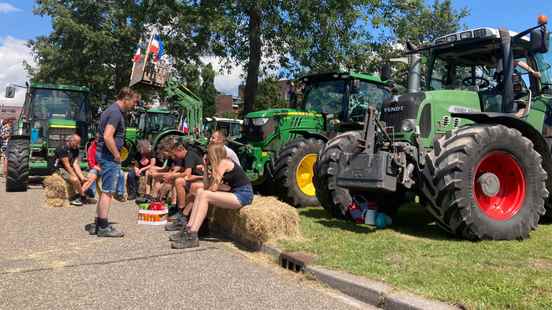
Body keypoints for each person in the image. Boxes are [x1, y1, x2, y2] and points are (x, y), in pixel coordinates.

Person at [171, 143, 253, 249]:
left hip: (243, 194)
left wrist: (213, 185)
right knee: (201, 192)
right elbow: (206, 186)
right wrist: (205, 168)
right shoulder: (219, 164)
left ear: (213, 154)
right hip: (234, 192)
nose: (205, 156)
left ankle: (193, 234)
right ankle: (189, 229)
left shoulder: (224, 163)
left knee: (204, 195)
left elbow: (212, 188)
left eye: (207, 153)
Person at [86, 87, 139, 237]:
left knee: (105, 191)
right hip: (109, 156)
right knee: (108, 192)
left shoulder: (111, 110)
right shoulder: (116, 113)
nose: (135, 105)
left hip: (104, 154)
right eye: (134, 102)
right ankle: (103, 226)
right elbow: (108, 136)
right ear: (126, 98)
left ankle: (98, 222)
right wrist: (117, 155)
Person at [164, 139, 204, 232]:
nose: (175, 157)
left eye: (175, 154)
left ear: (180, 150)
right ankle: (179, 210)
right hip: (196, 179)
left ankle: (181, 210)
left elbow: (187, 173)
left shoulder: (189, 156)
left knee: (179, 181)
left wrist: (173, 175)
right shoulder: (186, 156)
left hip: (200, 179)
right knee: (177, 180)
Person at [54, 134, 87, 206]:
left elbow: (75, 164)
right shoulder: (62, 148)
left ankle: (80, 194)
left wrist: (82, 177)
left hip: (68, 167)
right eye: (77, 143)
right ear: (71, 140)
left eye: (79, 143)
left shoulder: (76, 149)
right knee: (75, 179)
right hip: (60, 168)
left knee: (87, 177)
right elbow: (67, 165)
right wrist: (76, 177)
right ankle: (82, 196)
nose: (78, 145)